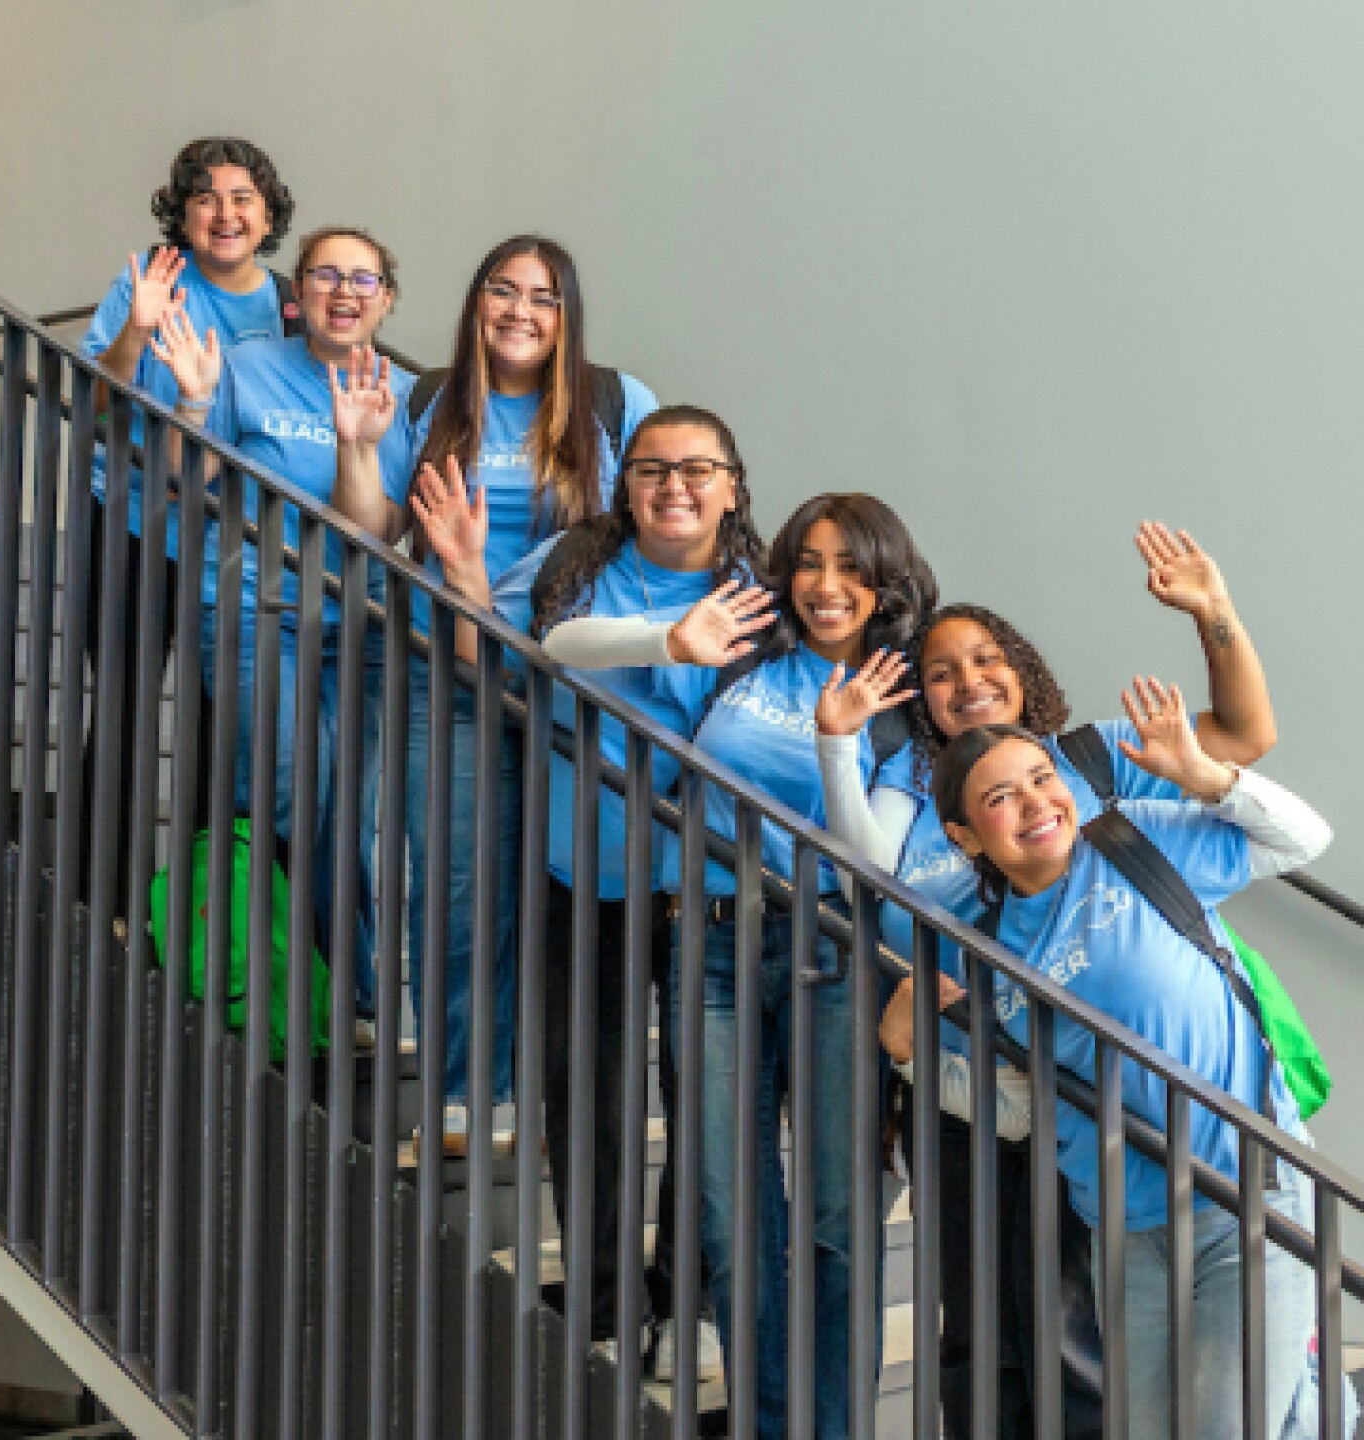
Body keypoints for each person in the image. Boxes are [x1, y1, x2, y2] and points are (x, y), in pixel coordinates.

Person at [815, 522, 1279, 1437]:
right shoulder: (919, 794)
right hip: (970, 1087)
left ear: (1020, 669)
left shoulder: (1089, 759)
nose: (966, 682)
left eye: (985, 659)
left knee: (1078, 1332)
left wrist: (1213, 614)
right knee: (980, 1331)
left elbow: (1246, 738)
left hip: (1086, 1087)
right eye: (939, 671)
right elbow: (866, 882)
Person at [541, 491, 935, 1439]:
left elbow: (869, 860)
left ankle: (829, 1425)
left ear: (889, 579)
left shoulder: (902, 695)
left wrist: (840, 742)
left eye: (851, 565)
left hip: (835, 949)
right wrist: (670, 641)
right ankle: (765, 1418)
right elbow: (560, 649)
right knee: (724, 1204)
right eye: (810, 561)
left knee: (839, 1219)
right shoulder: (749, 646)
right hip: (705, 938)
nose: (827, 585)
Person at [412, 404, 763, 1373]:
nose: (674, 486)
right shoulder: (578, 567)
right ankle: (607, 1305)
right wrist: (469, 575)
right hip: (581, 874)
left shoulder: (766, 595)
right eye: (652, 468)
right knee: (587, 1098)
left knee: (706, 1107)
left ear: (734, 485)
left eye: (698, 469)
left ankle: (679, 1295)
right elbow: (503, 654)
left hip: (713, 895)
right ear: (625, 484)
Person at [893, 689, 1331, 1440]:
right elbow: (1019, 1109)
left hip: (1247, 1195)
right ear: (965, 837)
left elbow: (1303, 839)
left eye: (1041, 777)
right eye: (1002, 797)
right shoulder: (987, 949)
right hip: (1126, 1236)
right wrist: (905, 1050)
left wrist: (1207, 776)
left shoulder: (1136, 845)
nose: (1036, 803)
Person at [336, 233, 656, 1139]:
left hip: (571, 683)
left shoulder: (614, 403)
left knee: (556, 890)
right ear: (476, 302)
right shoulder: (433, 401)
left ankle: (552, 1091)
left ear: (568, 315)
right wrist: (361, 448)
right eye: (503, 291)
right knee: (458, 885)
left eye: (543, 296)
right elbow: (373, 531)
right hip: (450, 675)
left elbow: (654, 527)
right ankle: (466, 1093)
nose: (521, 311)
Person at [150, 225, 413, 1020]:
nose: (343, 292)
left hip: (360, 622)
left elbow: (377, 530)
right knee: (285, 788)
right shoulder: (249, 366)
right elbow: (183, 486)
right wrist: (194, 401)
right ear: (296, 292)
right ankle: (263, 977)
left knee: (350, 805)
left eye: (362, 280)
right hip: (255, 603)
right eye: (325, 275)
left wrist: (354, 446)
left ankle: (345, 988)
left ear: (387, 299)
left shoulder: (409, 395)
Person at [79, 136, 295, 918]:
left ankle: (204, 922)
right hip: (134, 524)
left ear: (268, 213)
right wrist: (136, 331)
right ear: (183, 213)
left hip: (230, 548)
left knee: (222, 735)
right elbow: (93, 406)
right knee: (127, 710)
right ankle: (96, 903)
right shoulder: (154, 279)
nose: (224, 212)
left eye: (242, 197)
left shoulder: (293, 306)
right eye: (205, 197)